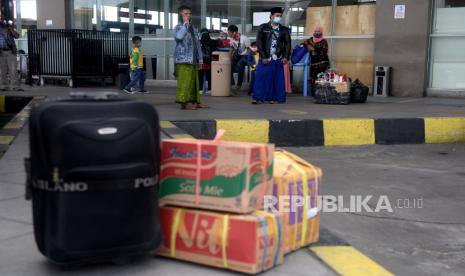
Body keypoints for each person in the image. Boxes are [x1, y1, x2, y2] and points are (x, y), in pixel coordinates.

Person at [253, 7, 291, 104]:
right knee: (261, 77)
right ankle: (258, 97)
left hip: (277, 58)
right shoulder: (263, 27)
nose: (279, 18)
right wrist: (263, 56)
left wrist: (286, 57)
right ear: (271, 16)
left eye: (280, 16)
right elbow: (259, 42)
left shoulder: (284, 30)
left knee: (277, 79)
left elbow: (287, 44)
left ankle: (274, 98)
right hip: (265, 58)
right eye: (277, 16)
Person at [173, 5, 208, 110]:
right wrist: (185, 25)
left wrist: (200, 60)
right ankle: (184, 103)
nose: (188, 15)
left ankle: (195, 102)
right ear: (181, 15)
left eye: (189, 13)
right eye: (185, 14)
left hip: (193, 59)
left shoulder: (193, 28)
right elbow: (179, 37)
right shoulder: (178, 27)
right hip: (182, 59)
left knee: (194, 82)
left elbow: (198, 44)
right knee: (185, 82)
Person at [0, 19, 22, 91]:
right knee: (3, 70)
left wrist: (10, 29)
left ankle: (14, 86)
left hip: (10, 52)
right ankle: (4, 86)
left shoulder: (9, 29)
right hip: (1, 52)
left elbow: (17, 36)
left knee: (12, 70)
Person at [306, 26, 330, 94]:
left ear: (321, 32)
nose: (317, 33)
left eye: (318, 31)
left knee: (323, 78)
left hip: (323, 63)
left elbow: (325, 51)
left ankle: (323, 93)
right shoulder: (310, 40)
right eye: (316, 31)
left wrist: (314, 49)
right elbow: (304, 45)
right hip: (313, 64)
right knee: (313, 78)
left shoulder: (324, 41)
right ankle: (314, 93)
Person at [228, 25, 251, 92]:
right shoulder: (232, 39)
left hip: (246, 55)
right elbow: (232, 49)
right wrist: (228, 58)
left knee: (240, 64)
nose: (228, 34)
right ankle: (232, 84)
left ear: (234, 32)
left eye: (229, 32)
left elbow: (249, 50)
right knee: (230, 64)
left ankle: (239, 85)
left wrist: (243, 53)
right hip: (238, 55)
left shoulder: (244, 38)